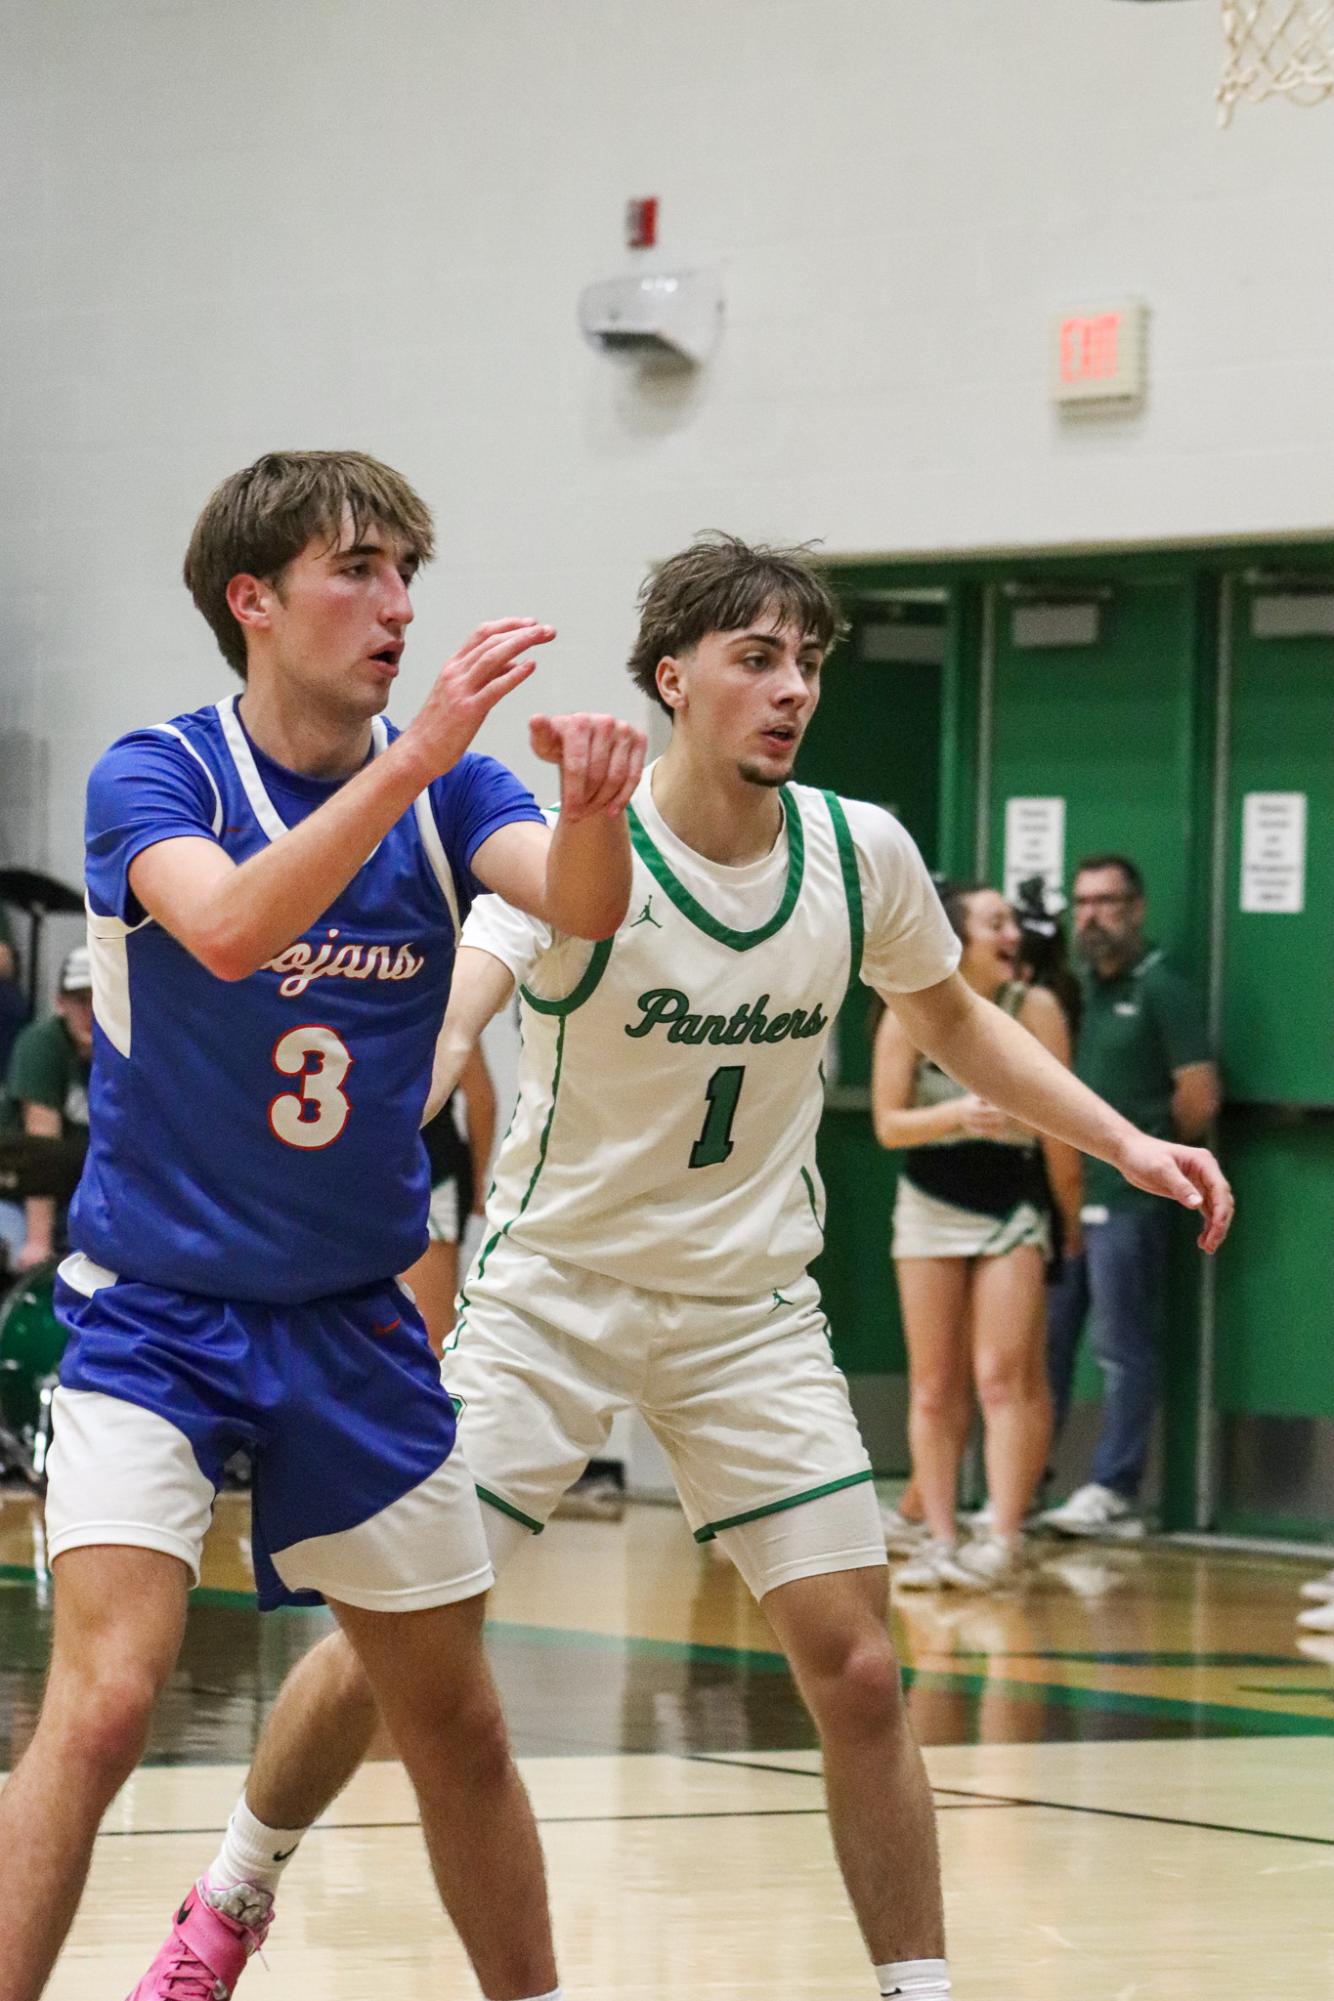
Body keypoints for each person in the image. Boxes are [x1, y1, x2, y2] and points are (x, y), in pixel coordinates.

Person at [126, 534, 1233, 2001]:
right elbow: (469, 992)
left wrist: (1117, 1141)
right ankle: (231, 1895)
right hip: (551, 1298)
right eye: (756, 659)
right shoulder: (577, 847)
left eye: (808, 664)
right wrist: (418, 1073)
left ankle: (920, 1988)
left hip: (746, 1315)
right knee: (400, 1644)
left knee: (855, 1664)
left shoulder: (858, 851)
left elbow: (958, 1024)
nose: (791, 690)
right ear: (673, 676)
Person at [0, 448, 646, 2001]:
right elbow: (224, 926)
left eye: (407, 572)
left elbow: (580, 905)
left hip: (354, 1319)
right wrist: (416, 754)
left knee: (461, 1723)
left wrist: (595, 808)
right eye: (358, 569)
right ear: (253, 599)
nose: (396, 604)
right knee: (100, 1705)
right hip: (152, 1310)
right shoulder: (155, 771)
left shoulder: (450, 793)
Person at [872, 884, 1082, 1591]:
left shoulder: (1037, 1008)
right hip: (930, 1199)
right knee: (933, 1385)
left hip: (1012, 1201)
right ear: (954, 933)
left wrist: (1068, 1213)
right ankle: (937, 1536)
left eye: (1013, 920)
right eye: (995, 920)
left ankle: (1002, 1537)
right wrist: (957, 1114)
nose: (1012, 931)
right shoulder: (906, 1008)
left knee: (1002, 1374)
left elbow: (1060, 1122)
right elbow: (888, 1125)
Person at [1040, 855, 1221, 1539]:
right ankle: (1023, 1483)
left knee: (1122, 1344)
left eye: (1107, 902)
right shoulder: (1070, 991)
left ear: (1136, 908)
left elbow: (1198, 1096)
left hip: (1130, 1203)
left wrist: (1151, 1161)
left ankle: (1115, 1488)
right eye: (1082, 902)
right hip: (1066, 1196)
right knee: (1047, 1345)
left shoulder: (1162, 988)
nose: (1092, 916)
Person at [2, 944, 94, 1274]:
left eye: (100, 1000)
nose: (91, 1013)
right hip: (17, 1194)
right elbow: (42, 1157)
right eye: (81, 1001)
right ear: (60, 1003)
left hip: (82, 1200)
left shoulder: (128, 1053)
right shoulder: (42, 1045)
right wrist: (38, 1242)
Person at [406, 1047, 496, 1351]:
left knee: (429, 1332)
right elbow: (482, 1099)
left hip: (426, 1176)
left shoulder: (440, 1002)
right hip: (378, 1175)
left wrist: (479, 1183)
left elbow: (481, 1098)